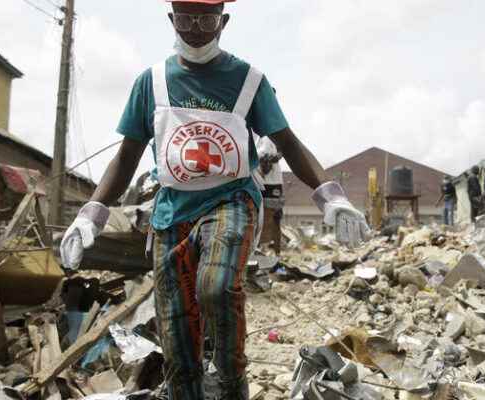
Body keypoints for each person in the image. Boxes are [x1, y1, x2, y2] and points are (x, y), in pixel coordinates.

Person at [58, 2, 369, 399]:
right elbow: (126, 156)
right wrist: (91, 215)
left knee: (216, 285)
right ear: (172, 20)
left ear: (223, 21)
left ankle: (231, 382)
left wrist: (331, 196)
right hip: (172, 213)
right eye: (186, 20)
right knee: (176, 330)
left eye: (207, 20)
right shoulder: (150, 83)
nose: (196, 31)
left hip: (231, 200)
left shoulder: (247, 80)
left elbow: (289, 143)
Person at [253, 135, 283, 255]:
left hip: (273, 183)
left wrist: (271, 158)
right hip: (257, 180)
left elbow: (283, 150)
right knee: (258, 215)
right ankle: (261, 248)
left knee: (272, 215)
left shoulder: (274, 134)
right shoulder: (254, 136)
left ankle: (273, 251)